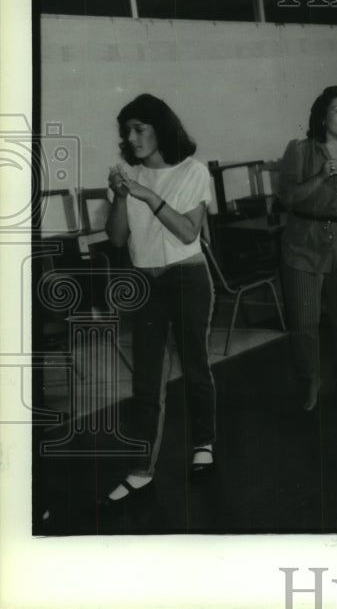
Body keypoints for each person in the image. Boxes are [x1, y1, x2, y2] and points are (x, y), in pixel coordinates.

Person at [102, 93, 216, 508]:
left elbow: (188, 233)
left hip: (187, 276)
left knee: (195, 365)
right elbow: (116, 239)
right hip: (145, 281)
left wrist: (149, 197)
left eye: (139, 129)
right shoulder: (127, 176)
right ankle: (140, 470)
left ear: (160, 128)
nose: (131, 138)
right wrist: (119, 196)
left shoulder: (193, 171)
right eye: (126, 132)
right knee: (146, 380)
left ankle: (204, 442)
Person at [278, 86, 337, 412]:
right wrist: (321, 176)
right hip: (303, 242)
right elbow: (287, 198)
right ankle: (310, 380)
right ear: (323, 117)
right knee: (304, 322)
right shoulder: (300, 150)